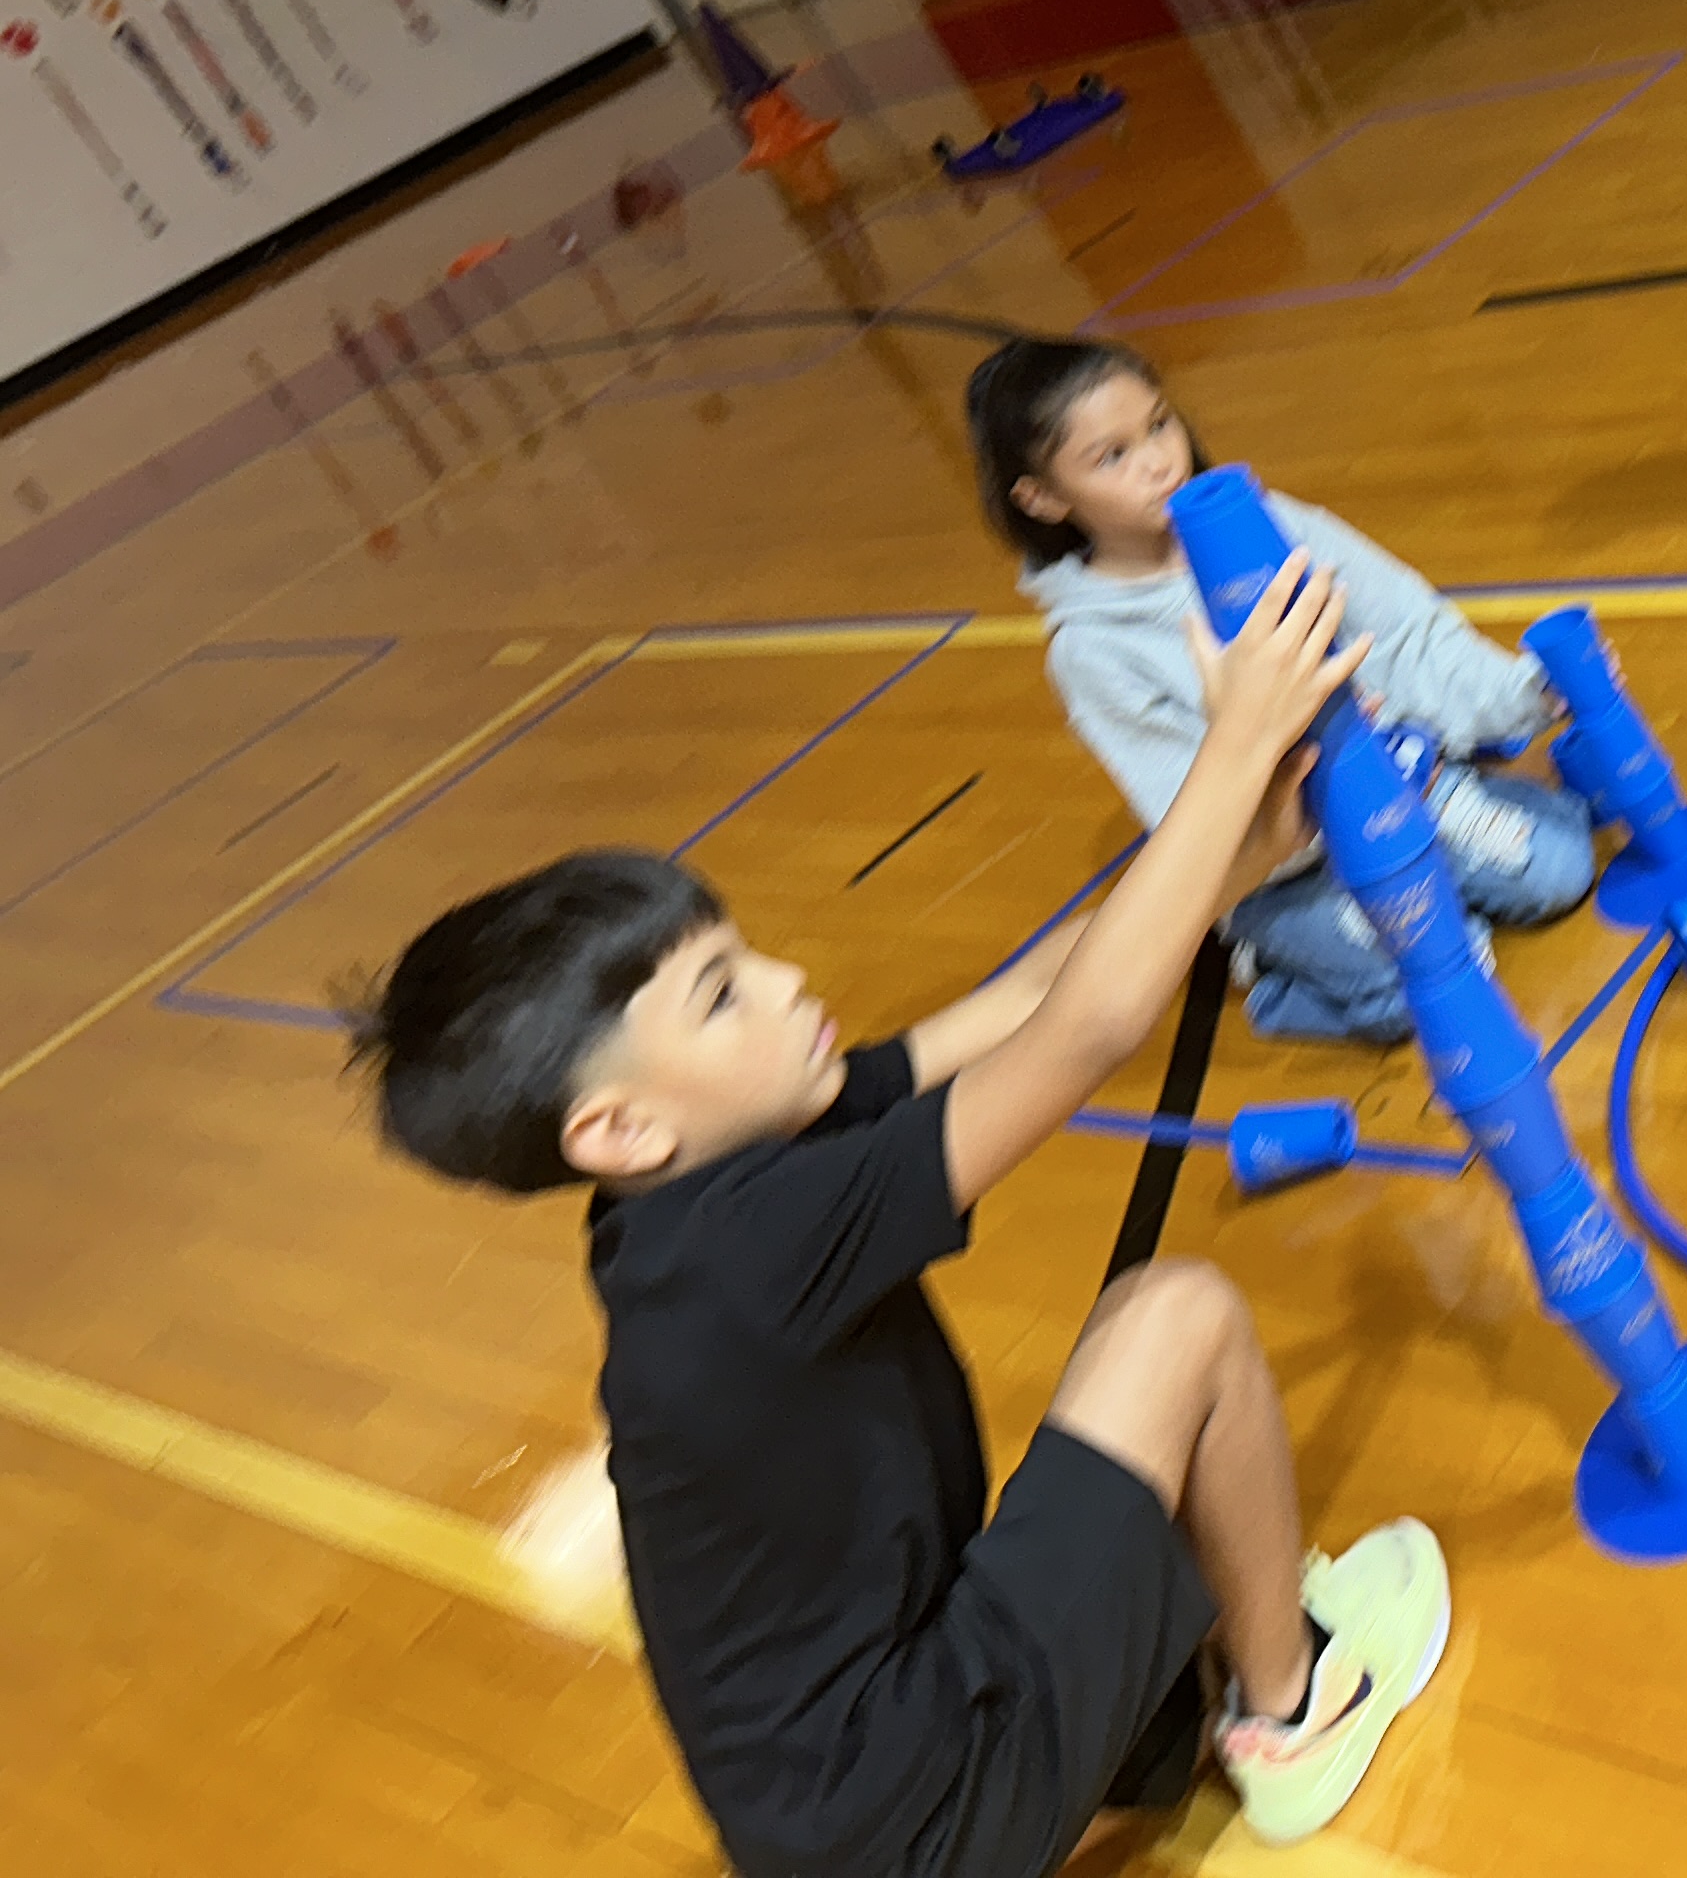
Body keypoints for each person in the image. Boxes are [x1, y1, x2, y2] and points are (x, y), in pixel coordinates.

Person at [343, 561, 1452, 1870]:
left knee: (1141, 1386)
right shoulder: (751, 1247)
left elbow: (1024, 1002)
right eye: (720, 995)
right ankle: (1292, 1712)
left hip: (856, 1786)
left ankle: (1180, 1695)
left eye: (743, 953)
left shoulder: (683, 1207)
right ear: (620, 1128)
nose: (784, 979)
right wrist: (1236, 743)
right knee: (1177, 1320)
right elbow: (1090, 1028)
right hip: (909, 1806)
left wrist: (1232, 858)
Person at [964, 335, 1597, 1047]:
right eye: (1112, 456)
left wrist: (1527, 693)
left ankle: (1450, 838)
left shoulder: (1275, 523)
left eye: (1159, 423)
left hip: (1399, 780)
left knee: (1561, 873)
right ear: (1043, 499)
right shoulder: (1092, 650)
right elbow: (1195, 818)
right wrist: (1294, 761)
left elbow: (1409, 636)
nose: (1160, 460)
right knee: (1429, 982)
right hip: (1284, 870)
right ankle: (1273, 973)